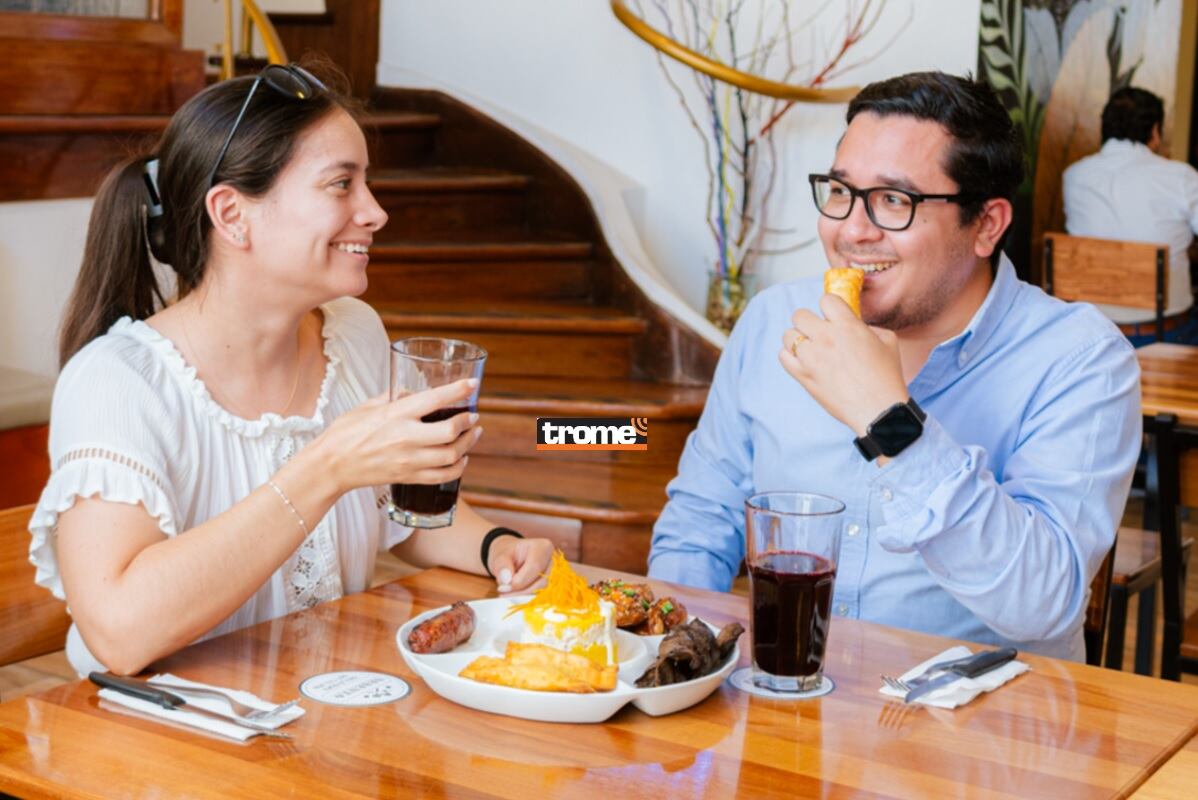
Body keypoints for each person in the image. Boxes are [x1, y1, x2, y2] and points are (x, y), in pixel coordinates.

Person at [28, 62, 554, 677]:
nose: (376, 212)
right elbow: (121, 633)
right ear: (231, 215)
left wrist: (498, 547)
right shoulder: (118, 383)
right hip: (160, 744)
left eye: (367, 183)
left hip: (317, 712)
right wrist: (326, 466)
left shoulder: (353, 333)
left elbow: (393, 512)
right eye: (341, 185)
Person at [649, 71, 1141, 660]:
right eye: (839, 191)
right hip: (787, 709)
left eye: (893, 201)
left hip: (977, 734)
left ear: (986, 225)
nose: (851, 231)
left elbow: (1041, 600)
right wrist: (678, 661)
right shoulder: (772, 319)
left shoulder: (1081, 359)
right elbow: (702, 517)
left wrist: (888, 420)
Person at [1063, 86, 1198, 344]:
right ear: (1155, 131)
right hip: (1166, 336)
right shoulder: (1181, 178)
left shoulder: (1073, 176)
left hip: (1090, 335)